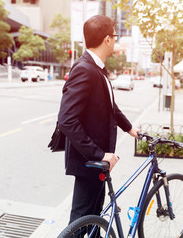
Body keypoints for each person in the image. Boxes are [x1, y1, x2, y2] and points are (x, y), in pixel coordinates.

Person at [57, 15, 139, 225]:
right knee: (80, 222)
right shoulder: (85, 69)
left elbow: (109, 106)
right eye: (114, 36)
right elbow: (66, 119)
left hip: (98, 161)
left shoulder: (97, 68)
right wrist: (99, 154)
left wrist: (130, 128)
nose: (115, 40)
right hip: (89, 161)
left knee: (93, 219)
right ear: (107, 39)